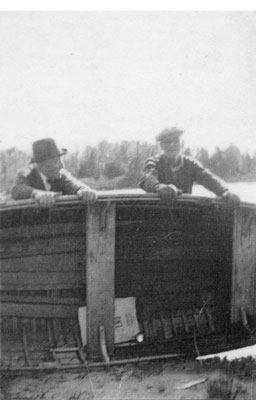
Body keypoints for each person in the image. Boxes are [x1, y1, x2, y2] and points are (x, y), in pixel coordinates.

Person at [139, 127, 240, 205]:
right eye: (167, 142)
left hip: (184, 212)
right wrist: (159, 187)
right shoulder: (154, 161)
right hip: (158, 213)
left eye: (175, 141)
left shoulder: (191, 164)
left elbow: (208, 179)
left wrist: (226, 191)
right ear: (161, 146)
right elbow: (147, 178)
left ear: (182, 144)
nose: (172, 145)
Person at [11, 138, 97, 207]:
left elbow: (75, 185)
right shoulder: (27, 174)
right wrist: (36, 193)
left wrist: (84, 190)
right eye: (56, 161)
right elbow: (17, 189)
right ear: (42, 165)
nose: (62, 166)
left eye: (61, 160)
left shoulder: (61, 174)